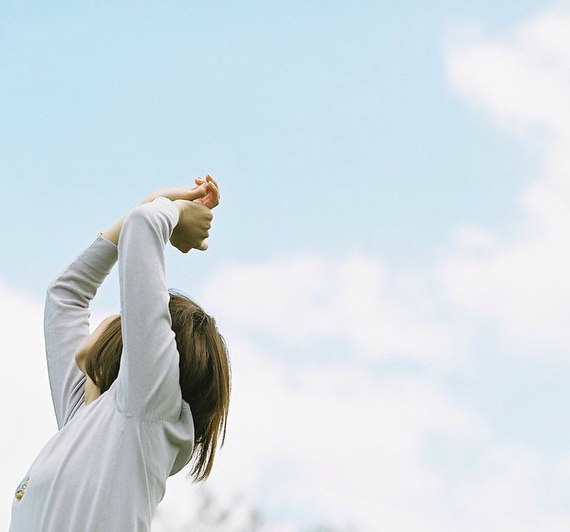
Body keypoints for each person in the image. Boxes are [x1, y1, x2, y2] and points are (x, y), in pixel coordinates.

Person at [9, 175, 231, 532]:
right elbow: (64, 295)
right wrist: (147, 205)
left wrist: (170, 211)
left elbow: (145, 228)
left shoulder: (145, 407)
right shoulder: (84, 418)